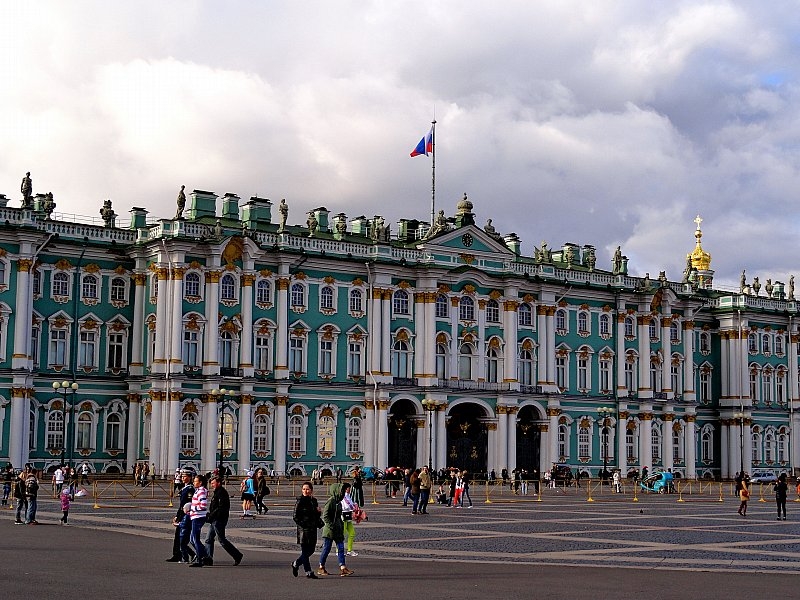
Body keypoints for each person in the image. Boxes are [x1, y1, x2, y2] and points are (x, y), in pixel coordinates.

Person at [205, 475, 243, 565]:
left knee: (222, 540)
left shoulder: (222, 493)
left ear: (218, 483)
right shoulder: (217, 492)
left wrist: (211, 515)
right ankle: (208, 558)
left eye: (213, 483)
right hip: (214, 519)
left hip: (219, 520)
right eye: (211, 483)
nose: (211, 485)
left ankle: (237, 555)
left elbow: (221, 508)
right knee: (208, 539)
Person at [318, 483, 354, 577]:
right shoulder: (331, 501)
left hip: (337, 529)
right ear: (336, 491)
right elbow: (325, 515)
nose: (342, 492)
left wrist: (341, 526)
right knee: (327, 548)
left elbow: (339, 516)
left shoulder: (338, 502)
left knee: (341, 548)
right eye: (341, 490)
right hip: (330, 530)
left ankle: (343, 568)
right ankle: (321, 567)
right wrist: (331, 525)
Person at [291, 481, 321, 579]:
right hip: (303, 530)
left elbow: (315, 516)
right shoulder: (300, 501)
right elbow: (295, 516)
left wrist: (318, 512)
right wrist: (304, 525)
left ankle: (296, 563)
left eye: (307, 489)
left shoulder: (314, 501)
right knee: (305, 552)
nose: (305, 491)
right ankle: (308, 571)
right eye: (304, 489)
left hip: (312, 529)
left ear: (311, 490)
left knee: (311, 550)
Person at [166, 468, 196, 563]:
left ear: (190, 478)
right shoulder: (185, 488)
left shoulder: (190, 489)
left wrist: (180, 517)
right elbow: (181, 506)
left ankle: (190, 554)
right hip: (181, 514)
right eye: (182, 476)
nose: (183, 478)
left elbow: (187, 505)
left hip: (185, 515)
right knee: (178, 537)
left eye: (185, 476)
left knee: (181, 537)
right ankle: (178, 555)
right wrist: (177, 516)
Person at [188, 474, 209, 567]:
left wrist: (192, 509)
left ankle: (200, 559)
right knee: (192, 539)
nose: (193, 482)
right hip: (195, 516)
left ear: (200, 483)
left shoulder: (201, 492)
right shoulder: (199, 491)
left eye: (195, 481)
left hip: (198, 517)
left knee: (195, 539)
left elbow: (203, 505)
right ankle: (205, 556)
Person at [341, 484, 359, 556]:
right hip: (343, 515)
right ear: (345, 489)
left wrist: (355, 505)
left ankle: (349, 550)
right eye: (348, 488)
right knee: (342, 534)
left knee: (352, 533)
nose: (350, 489)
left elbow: (351, 503)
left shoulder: (348, 496)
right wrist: (353, 507)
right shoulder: (343, 496)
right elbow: (345, 506)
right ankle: (339, 550)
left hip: (348, 515)